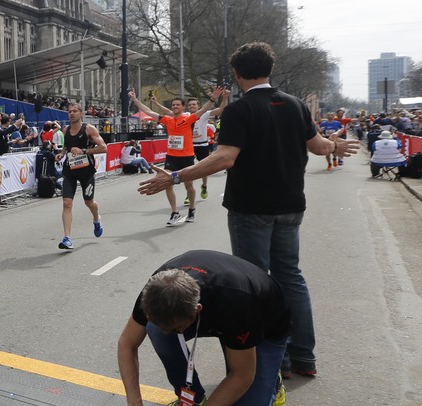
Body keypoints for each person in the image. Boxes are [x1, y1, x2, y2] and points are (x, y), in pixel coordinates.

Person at [138, 42, 358, 378]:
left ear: (237, 73)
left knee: (255, 283)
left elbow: (225, 157)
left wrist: (175, 176)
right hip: (290, 205)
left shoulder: (240, 110)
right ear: (271, 69)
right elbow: (318, 146)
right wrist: (335, 146)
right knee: (291, 278)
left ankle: (276, 361)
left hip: (251, 208)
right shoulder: (296, 105)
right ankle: (303, 356)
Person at [116, 249, 289, 406]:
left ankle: (273, 381)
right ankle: (194, 400)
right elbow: (127, 344)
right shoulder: (156, 291)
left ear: (197, 310)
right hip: (221, 313)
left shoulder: (236, 302)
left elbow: (242, 375)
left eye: (176, 328)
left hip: (263, 325)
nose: (169, 332)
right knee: (155, 329)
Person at [130, 87, 226, 225]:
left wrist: (213, 99)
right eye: (173, 105)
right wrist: (135, 99)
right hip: (171, 157)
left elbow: (202, 110)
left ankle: (192, 209)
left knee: (189, 186)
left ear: (183, 107)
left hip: (186, 157)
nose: (175, 107)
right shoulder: (168, 120)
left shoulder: (188, 119)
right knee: (167, 183)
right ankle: (174, 212)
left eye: (177, 105)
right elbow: (149, 111)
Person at [57, 102, 105, 250]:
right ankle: (67, 238)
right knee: (67, 203)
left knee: (89, 202)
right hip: (70, 171)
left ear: (81, 113)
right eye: (69, 111)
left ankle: (96, 219)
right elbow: (67, 146)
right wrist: (62, 154)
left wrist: (83, 151)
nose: (71, 114)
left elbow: (104, 147)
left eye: (75, 111)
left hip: (86, 172)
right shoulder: (65, 129)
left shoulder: (89, 129)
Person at [188, 94, 225, 198]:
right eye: (190, 105)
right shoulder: (185, 115)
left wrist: (225, 97)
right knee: (189, 169)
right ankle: (189, 192)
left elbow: (220, 109)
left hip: (202, 145)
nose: (192, 106)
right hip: (189, 145)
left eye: (194, 104)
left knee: (203, 169)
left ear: (198, 106)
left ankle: (204, 186)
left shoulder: (204, 114)